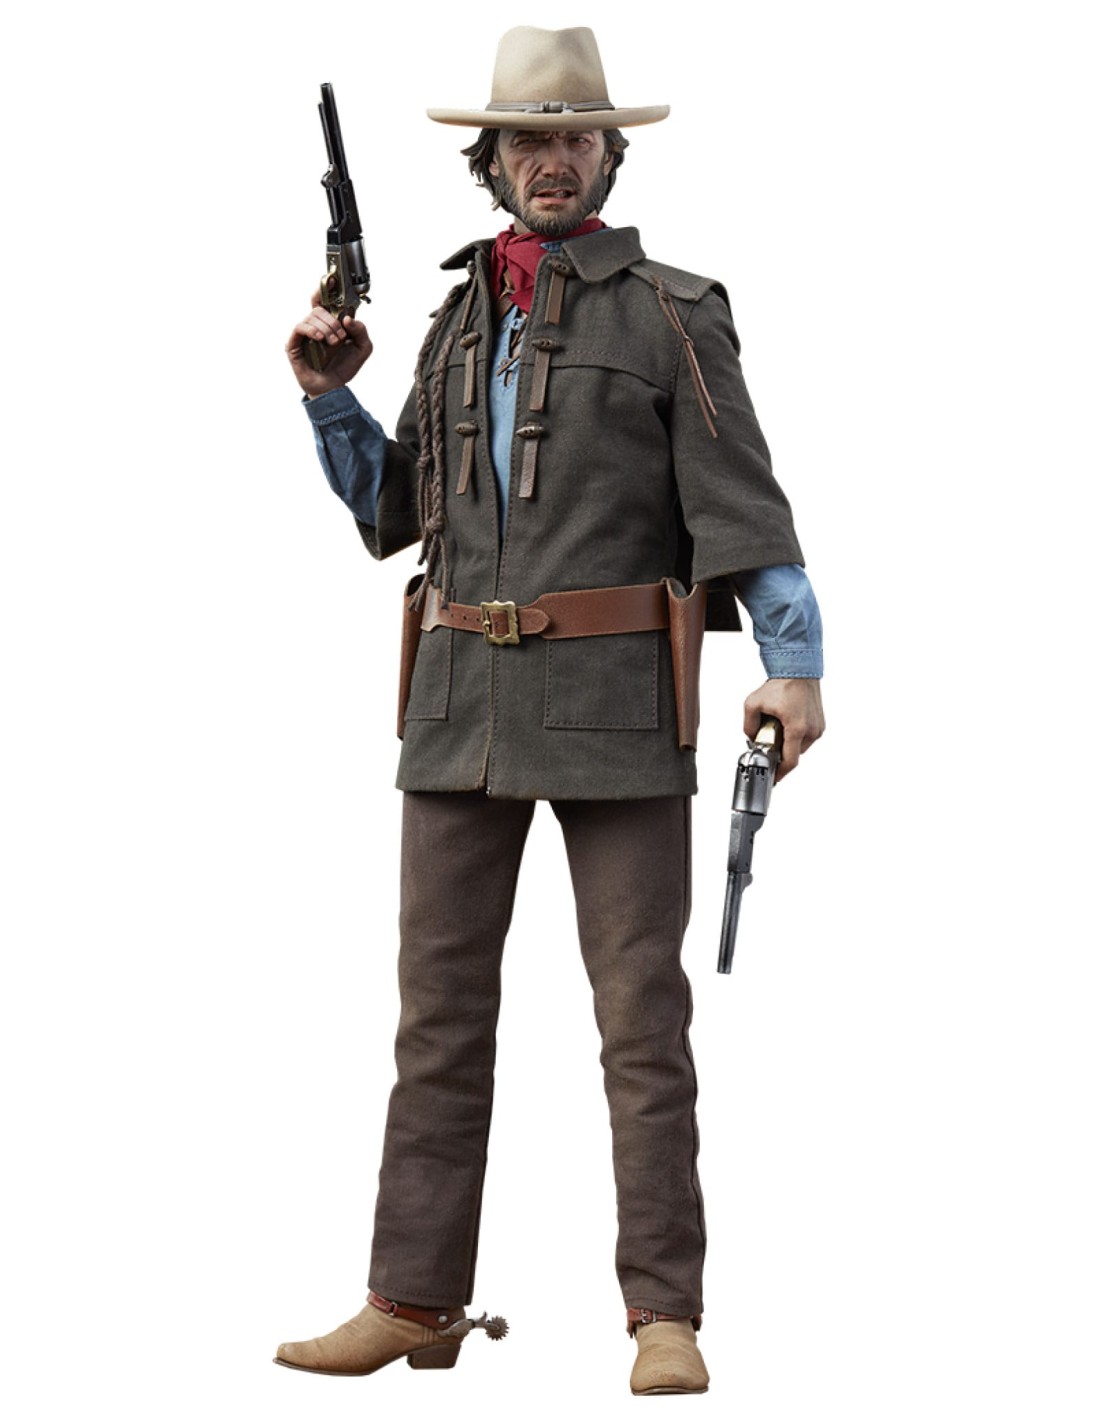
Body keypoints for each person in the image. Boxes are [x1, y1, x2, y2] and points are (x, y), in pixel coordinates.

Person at [277, 25, 824, 1396]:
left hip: (617, 707)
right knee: (438, 1017)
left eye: (576, 135)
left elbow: (742, 506)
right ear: (494, 159)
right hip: (458, 706)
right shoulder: (459, 318)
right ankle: (411, 1298)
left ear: (608, 151)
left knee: (641, 1018)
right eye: (529, 139)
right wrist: (328, 398)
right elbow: (394, 511)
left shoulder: (673, 312)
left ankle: (664, 1313)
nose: (553, 159)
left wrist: (794, 661)